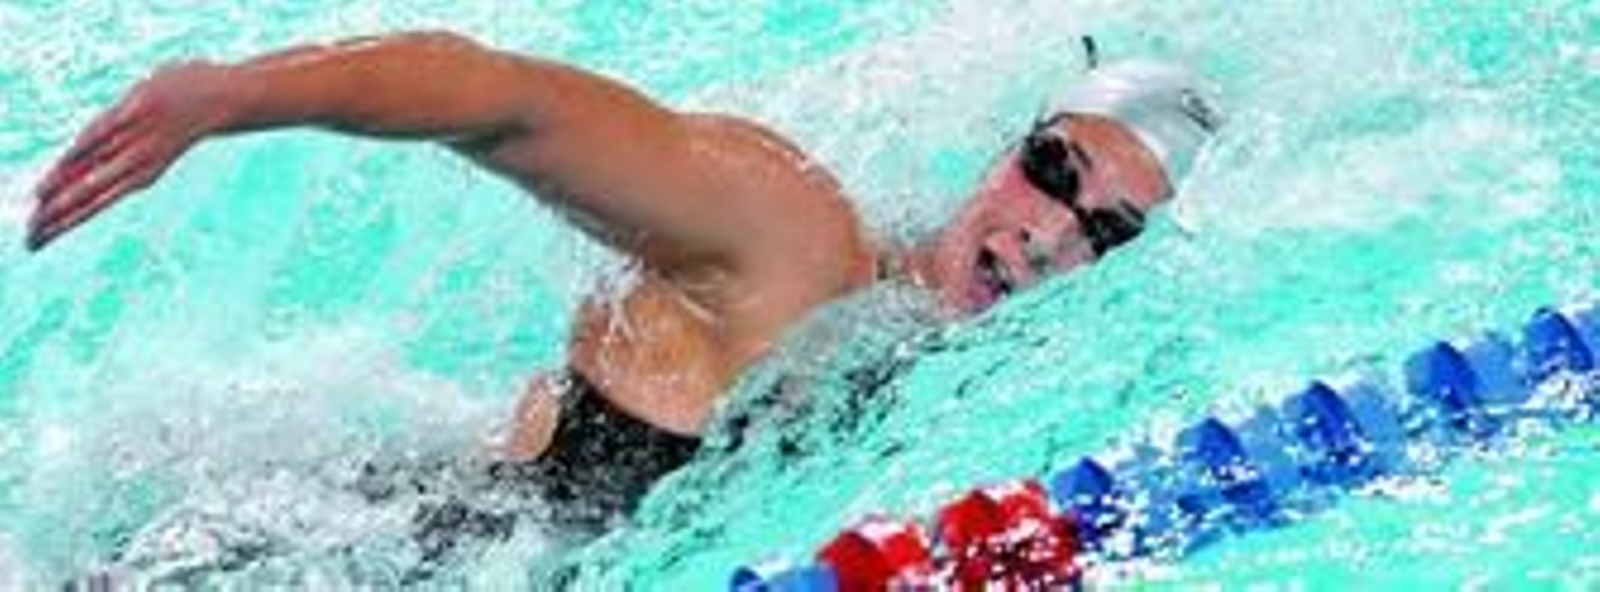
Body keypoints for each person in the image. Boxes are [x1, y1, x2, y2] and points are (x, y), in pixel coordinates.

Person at [28, 32, 1221, 539]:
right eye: (1050, 169)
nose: (1045, 236)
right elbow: (509, 102)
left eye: (1102, 229)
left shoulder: (941, 357)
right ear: (1003, 147)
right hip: (359, 555)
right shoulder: (788, 234)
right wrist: (231, 97)